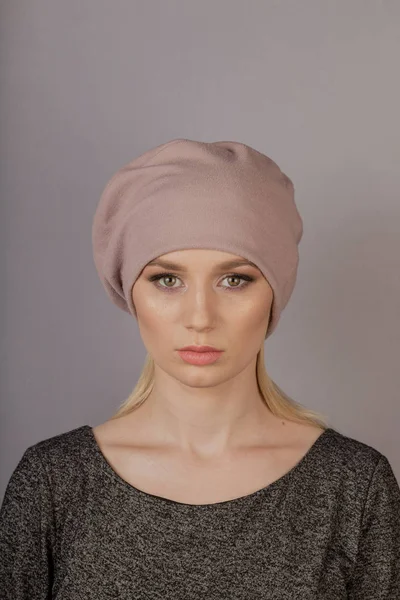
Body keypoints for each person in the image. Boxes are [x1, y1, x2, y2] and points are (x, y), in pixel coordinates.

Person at [1, 138, 399, 598]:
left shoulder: (354, 487)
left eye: (235, 280)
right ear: (132, 293)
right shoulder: (53, 483)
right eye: (167, 280)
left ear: (275, 291)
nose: (200, 316)